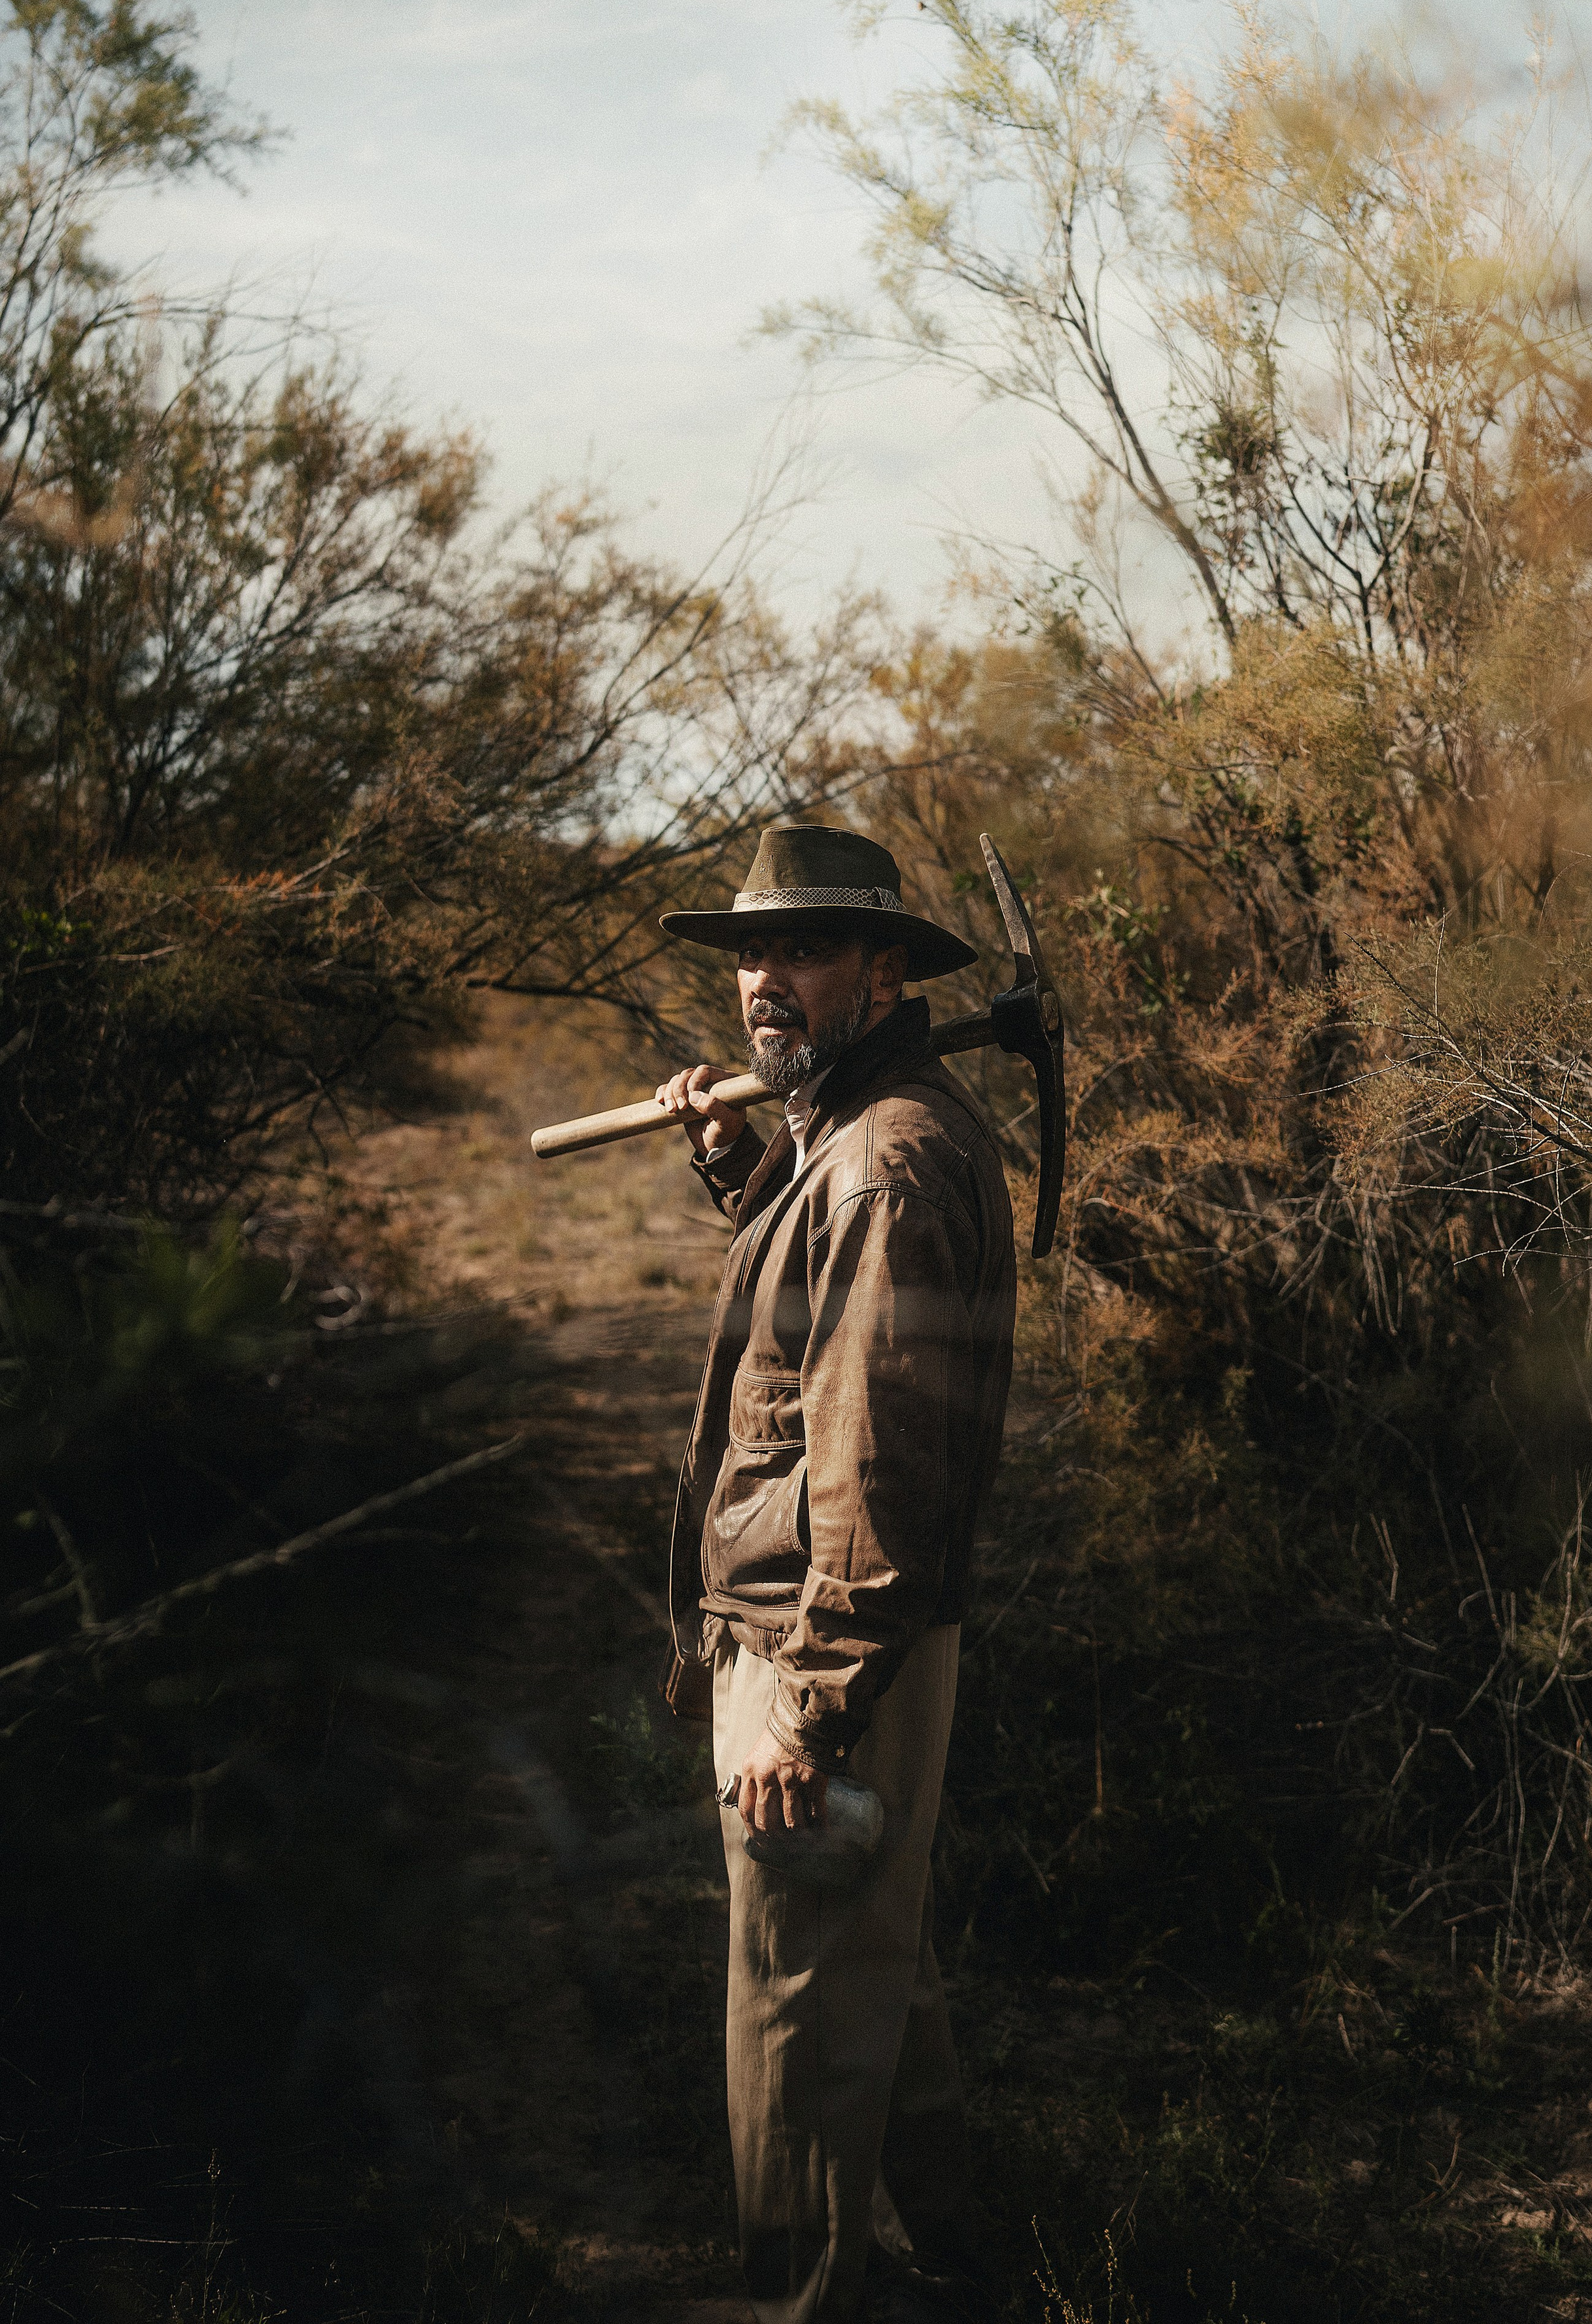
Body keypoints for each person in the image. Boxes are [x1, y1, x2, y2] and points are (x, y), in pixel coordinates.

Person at [655, 824, 1017, 2324]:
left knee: (797, 2007)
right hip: (819, 1631)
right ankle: (970, 2264)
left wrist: (807, 1702)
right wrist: (742, 1162)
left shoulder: (883, 1164)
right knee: (875, 1956)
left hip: (827, 1640)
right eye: (749, 952)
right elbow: (812, 1333)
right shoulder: (846, 1140)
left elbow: (872, 1464)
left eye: (800, 950)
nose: (761, 981)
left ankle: (802, 2300)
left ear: (884, 968)